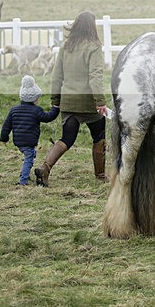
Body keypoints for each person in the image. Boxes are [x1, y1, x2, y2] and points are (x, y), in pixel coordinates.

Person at [37, 11, 108, 187]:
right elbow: (95, 77)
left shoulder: (66, 46)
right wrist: (100, 102)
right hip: (88, 103)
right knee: (99, 137)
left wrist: (56, 99)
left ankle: (45, 168)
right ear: (92, 27)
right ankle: (100, 175)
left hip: (68, 101)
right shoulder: (94, 47)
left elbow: (56, 76)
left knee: (67, 138)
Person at [0, 76, 60, 186]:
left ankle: (25, 172)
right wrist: (55, 108)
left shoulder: (14, 110)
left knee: (31, 154)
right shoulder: (36, 110)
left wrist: (4, 139)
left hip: (18, 141)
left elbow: (6, 126)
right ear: (34, 99)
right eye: (37, 98)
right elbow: (48, 117)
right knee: (29, 159)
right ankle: (23, 181)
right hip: (29, 141)